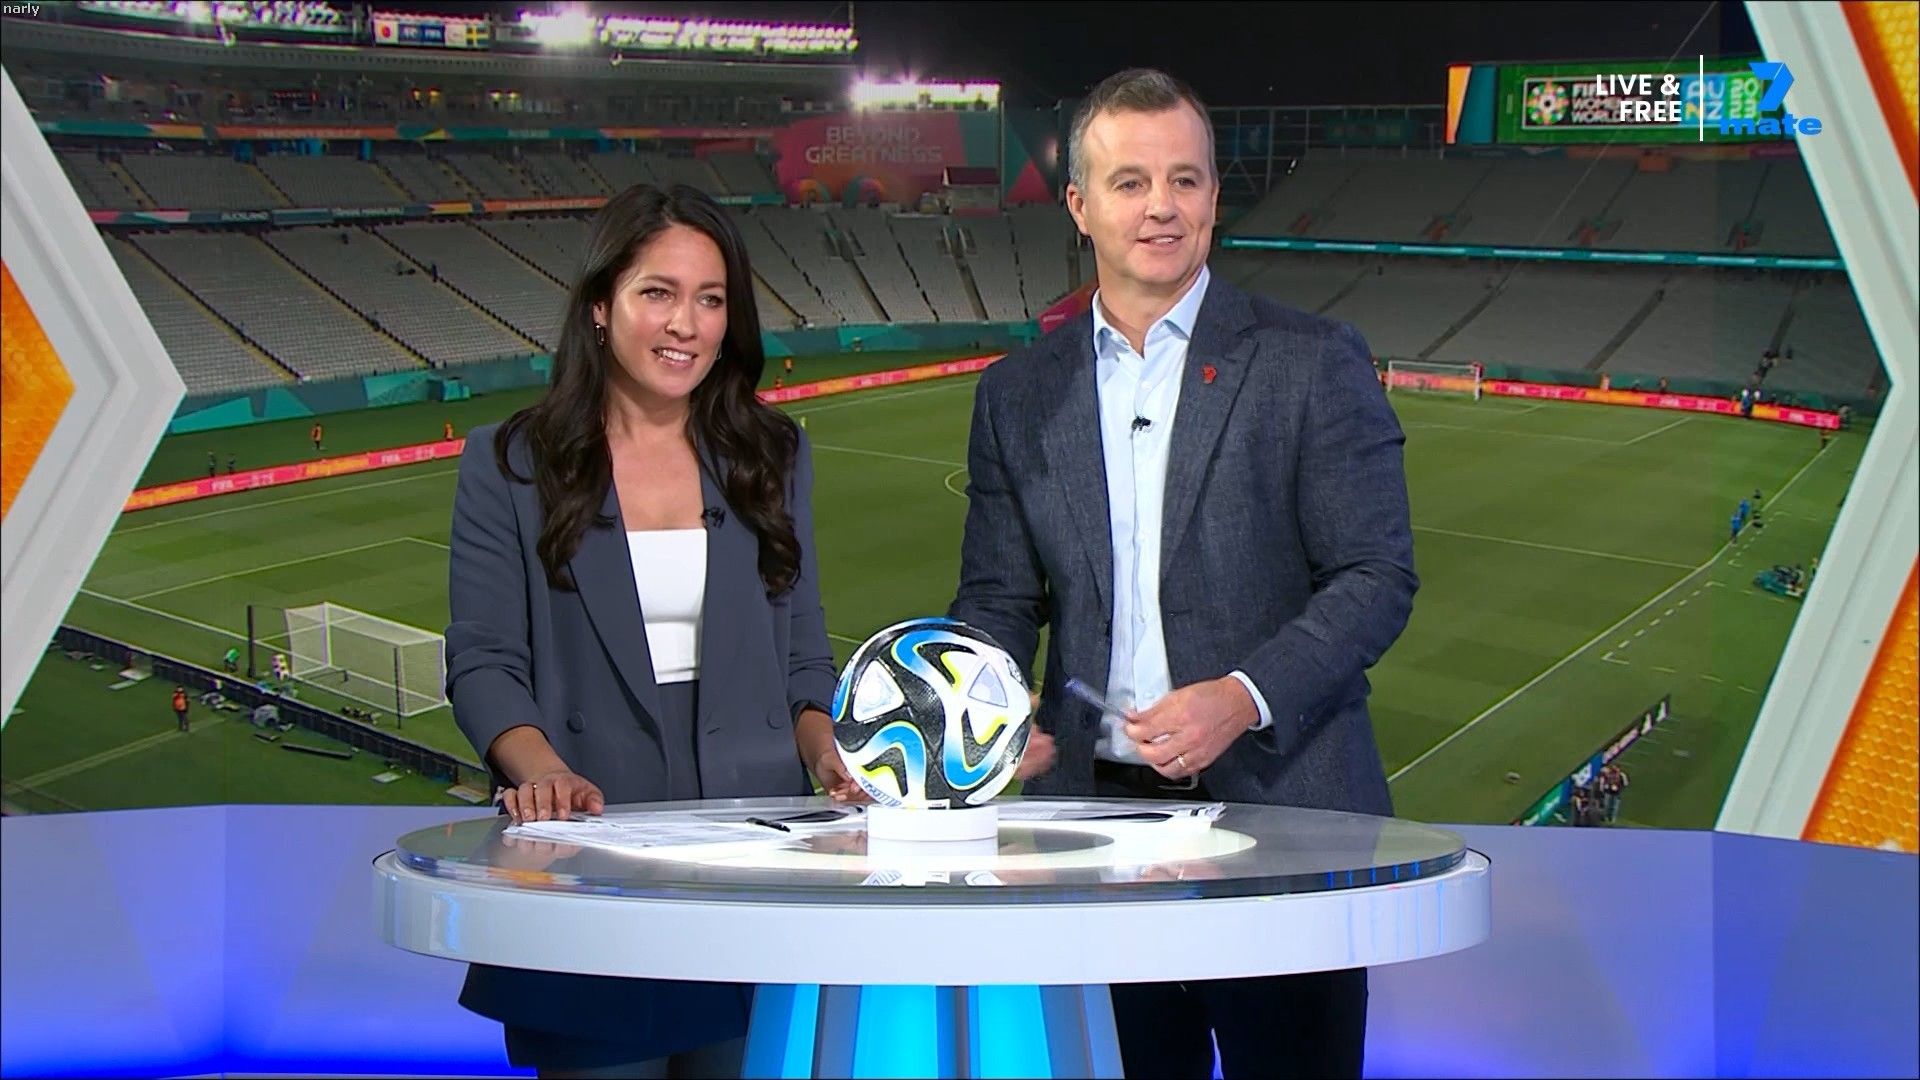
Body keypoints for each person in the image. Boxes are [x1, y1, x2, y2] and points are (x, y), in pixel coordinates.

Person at [948, 69, 1417, 1080]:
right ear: (1079, 206)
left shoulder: (1311, 360)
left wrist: (1242, 697)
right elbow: (997, 599)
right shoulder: (1017, 394)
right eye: (1130, 182)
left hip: (1285, 819)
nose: (1161, 205)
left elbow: (1376, 575)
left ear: (1213, 197)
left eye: (1185, 179)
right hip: (1092, 832)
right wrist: (988, 717)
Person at [444, 183, 863, 1078]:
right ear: (601, 306)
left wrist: (828, 749)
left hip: (755, 866)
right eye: (658, 293)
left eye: (710, 300)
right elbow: (483, 660)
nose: (686, 325)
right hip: (593, 852)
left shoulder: (773, 455)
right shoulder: (511, 463)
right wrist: (543, 772)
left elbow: (803, 655)